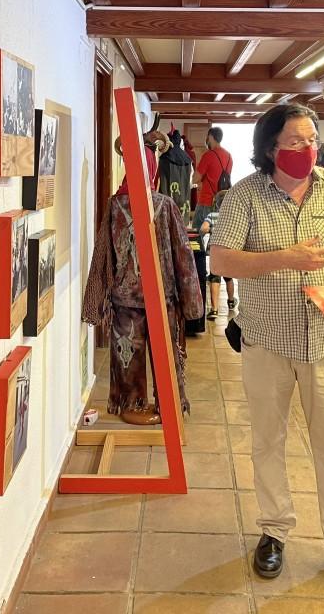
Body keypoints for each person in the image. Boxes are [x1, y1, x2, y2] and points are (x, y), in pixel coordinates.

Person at [210, 103, 324, 603]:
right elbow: (221, 259)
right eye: (295, 142)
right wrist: (286, 258)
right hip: (267, 341)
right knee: (268, 440)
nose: (307, 149)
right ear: (270, 148)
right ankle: (274, 530)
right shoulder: (245, 196)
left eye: (312, 140)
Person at [83, 148, 204, 425]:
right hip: (161, 297)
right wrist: (192, 303)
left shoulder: (116, 204)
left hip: (127, 300)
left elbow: (102, 254)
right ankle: (166, 404)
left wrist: (96, 302)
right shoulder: (165, 204)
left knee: (129, 356)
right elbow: (183, 255)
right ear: (153, 170)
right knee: (161, 357)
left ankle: (133, 404)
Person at [198, 190, 236, 319]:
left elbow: (203, 229)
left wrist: (212, 229)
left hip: (215, 251)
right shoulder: (233, 216)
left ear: (217, 204)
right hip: (230, 250)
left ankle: (214, 310)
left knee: (215, 277)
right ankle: (231, 301)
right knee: (229, 277)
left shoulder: (212, 215)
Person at [192, 127, 233, 231]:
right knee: (215, 233)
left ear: (210, 137)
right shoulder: (229, 157)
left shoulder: (208, 155)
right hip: (221, 201)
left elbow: (195, 179)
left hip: (206, 201)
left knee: (197, 233)